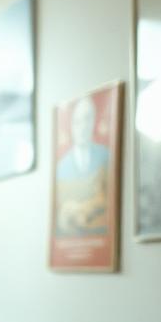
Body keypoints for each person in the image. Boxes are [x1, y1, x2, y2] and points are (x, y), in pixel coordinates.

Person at [55, 95, 110, 236]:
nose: (83, 127)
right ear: (71, 125)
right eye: (77, 122)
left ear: (93, 122)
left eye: (87, 119)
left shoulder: (106, 156)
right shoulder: (61, 166)